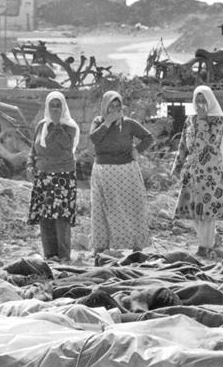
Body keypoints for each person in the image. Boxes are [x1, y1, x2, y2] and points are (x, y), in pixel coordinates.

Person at [172, 85, 223, 258]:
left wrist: (204, 120)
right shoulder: (190, 120)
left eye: (203, 101)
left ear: (210, 101)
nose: (200, 104)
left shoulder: (219, 121)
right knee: (193, 210)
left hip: (211, 172)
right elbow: (183, 145)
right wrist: (177, 167)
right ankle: (205, 242)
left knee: (208, 211)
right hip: (192, 172)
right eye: (197, 100)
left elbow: (211, 143)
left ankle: (205, 246)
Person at [89, 90, 154, 255]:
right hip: (103, 172)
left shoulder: (128, 124)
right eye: (111, 106)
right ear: (105, 107)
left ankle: (137, 246)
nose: (115, 110)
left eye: (118, 106)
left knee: (133, 207)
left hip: (126, 171)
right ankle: (101, 246)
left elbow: (148, 137)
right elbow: (94, 139)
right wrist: (107, 123)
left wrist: (137, 150)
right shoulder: (98, 122)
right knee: (102, 208)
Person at [26, 91, 79, 262]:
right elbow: (33, 149)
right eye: (52, 106)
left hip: (63, 176)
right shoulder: (41, 126)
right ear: (47, 107)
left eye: (58, 106)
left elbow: (67, 146)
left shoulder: (70, 127)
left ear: (63, 107)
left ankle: (63, 255)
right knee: (45, 215)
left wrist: (57, 125)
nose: (55, 109)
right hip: (43, 177)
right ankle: (49, 254)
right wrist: (30, 165)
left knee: (61, 216)